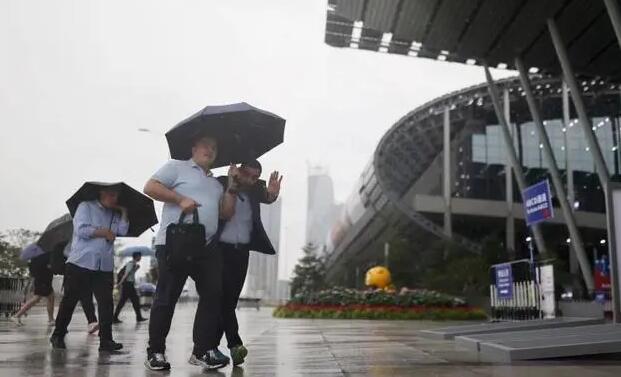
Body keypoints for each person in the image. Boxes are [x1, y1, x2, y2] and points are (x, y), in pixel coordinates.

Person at [143, 134, 238, 371]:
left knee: (213, 294)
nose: (211, 149)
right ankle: (155, 351)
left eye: (214, 147)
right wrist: (180, 198)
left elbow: (225, 214)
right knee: (167, 297)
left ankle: (201, 351)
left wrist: (233, 187)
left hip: (206, 247)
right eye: (206, 145)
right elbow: (150, 187)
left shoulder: (216, 184)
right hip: (175, 243)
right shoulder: (176, 167)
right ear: (194, 147)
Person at [215, 160, 282, 366]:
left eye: (256, 177)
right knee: (220, 300)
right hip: (219, 251)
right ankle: (234, 345)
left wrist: (272, 194)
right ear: (239, 171)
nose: (253, 180)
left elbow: (267, 198)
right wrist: (231, 183)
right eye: (249, 175)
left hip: (241, 252)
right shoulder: (220, 183)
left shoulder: (254, 191)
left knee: (229, 301)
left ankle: (211, 346)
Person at [49, 187, 128, 352]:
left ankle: (106, 341)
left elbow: (122, 231)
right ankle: (58, 334)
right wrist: (104, 232)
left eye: (117, 196)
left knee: (106, 304)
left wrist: (123, 212)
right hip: (80, 262)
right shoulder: (85, 206)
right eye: (112, 195)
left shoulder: (114, 213)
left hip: (104, 265)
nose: (115, 199)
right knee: (69, 301)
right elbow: (81, 230)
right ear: (102, 193)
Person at [11, 246, 55, 326]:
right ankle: (17, 315)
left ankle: (51, 319)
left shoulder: (41, 253)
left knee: (50, 297)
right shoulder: (42, 254)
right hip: (42, 279)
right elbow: (45, 266)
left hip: (45, 279)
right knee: (37, 298)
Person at [113, 251, 147, 323]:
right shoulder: (130, 264)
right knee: (131, 301)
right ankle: (138, 317)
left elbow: (131, 274)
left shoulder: (133, 264)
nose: (140, 258)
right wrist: (119, 283)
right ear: (137, 257)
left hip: (129, 285)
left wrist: (136, 269)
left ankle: (138, 317)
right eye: (140, 256)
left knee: (131, 301)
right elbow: (126, 274)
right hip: (128, 285)